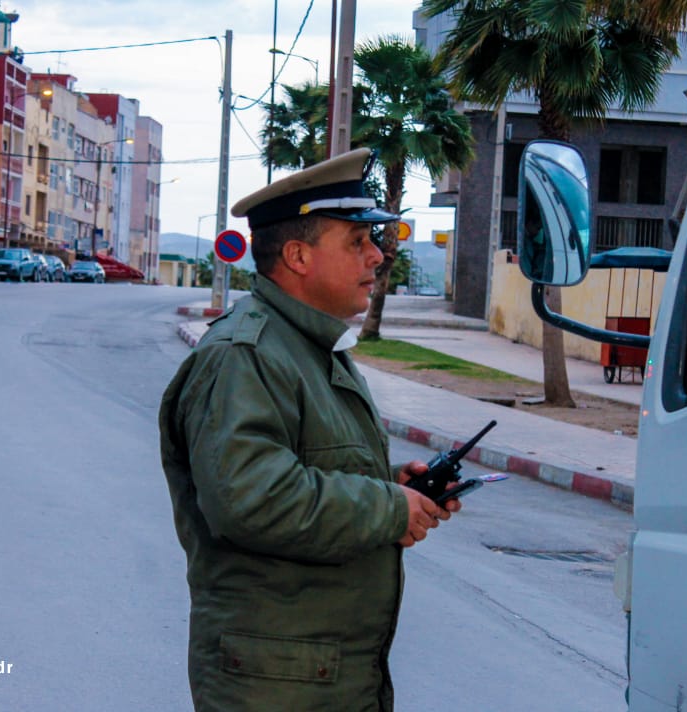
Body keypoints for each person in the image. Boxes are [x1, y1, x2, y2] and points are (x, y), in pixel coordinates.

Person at [159, 148, 461, 711]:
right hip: (276, 685)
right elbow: (250, 499)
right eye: (357, 241)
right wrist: (387, 508)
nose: (377, 256)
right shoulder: (245, 355)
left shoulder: (308, 345)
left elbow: (307, 467)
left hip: (320, 676)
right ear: (297, 256)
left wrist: (393, 486)